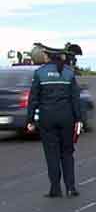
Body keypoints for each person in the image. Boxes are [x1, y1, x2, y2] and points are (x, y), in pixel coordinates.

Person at [26, 51, 82, 198]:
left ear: (48, 57)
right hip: (66, 117)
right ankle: (70, 187)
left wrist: (30, 120)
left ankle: (55, 189)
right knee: (67, 153)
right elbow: (75, 98)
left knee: (52, 154)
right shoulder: (69, 73)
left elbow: (33, 99)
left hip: (47, 118)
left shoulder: (40, 73)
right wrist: (79, 119)